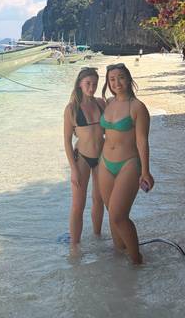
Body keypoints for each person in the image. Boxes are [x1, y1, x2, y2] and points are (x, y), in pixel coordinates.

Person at [99, 63, 154, 264]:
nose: (116, 83)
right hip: (104, 164)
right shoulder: (108, 103)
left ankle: (137, 261)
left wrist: (146, 171)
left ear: (129, 79)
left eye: (121, 77)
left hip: (129, 164)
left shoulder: (137, 107)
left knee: (118, 216)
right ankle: (119, 255)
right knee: (111, 213)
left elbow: (142, 141)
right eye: (112, 79)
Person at [63, 67, 106, 247]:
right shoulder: (72, 109)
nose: (91, 88)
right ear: (80, 84)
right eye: (88, 84)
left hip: (102, 158)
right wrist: (73, 169)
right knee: (78, 205)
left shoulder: (101, 104)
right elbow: (66, 141)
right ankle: (75, 246)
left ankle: (97, 238)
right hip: (81, 159)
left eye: (94, 84)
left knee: (99, 200)